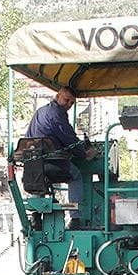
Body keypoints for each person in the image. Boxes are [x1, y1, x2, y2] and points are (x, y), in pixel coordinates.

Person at [24, 87, 92, 227]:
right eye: (66, 100)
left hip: (32, 165)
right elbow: (69, 139)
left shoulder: (40, 112)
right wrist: (84, 154)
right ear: (58, 96)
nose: (68, 105)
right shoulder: (57, 114)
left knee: (39, 178)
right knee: (76, 176)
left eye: (72, 103)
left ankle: (35, 216)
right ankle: (76, 219)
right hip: (52, 163)